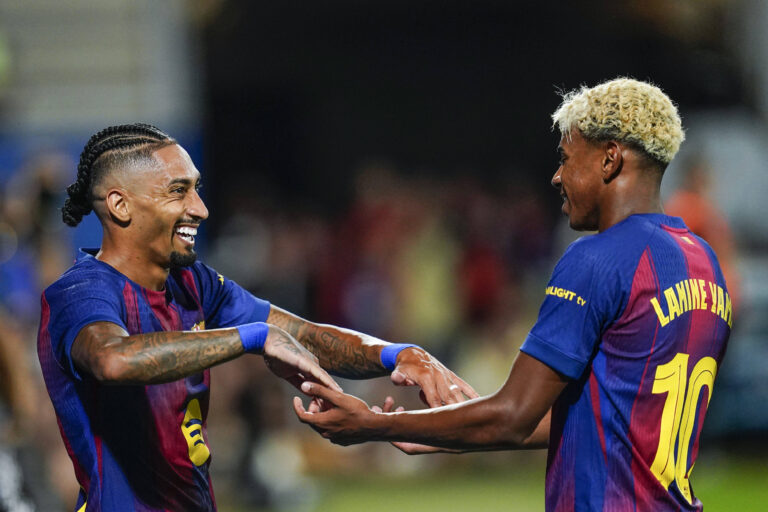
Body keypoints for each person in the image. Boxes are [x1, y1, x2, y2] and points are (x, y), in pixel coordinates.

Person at [294, 78, 733, 511]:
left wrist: (371, 424)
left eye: (566, 158)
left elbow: (514, 415)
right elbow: (598, 416)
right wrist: (443, 428)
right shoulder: (705, 263)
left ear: (609, 159)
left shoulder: (596, 259)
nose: (557, 176)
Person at [37, 123, 476, 512]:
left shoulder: (193, 283)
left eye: (196, 188)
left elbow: (303, 334)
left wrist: (400, 355)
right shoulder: (80, 293)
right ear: (120, 205)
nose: (200, 208)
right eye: (178, 191)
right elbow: (113, 359)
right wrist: (250, 337)